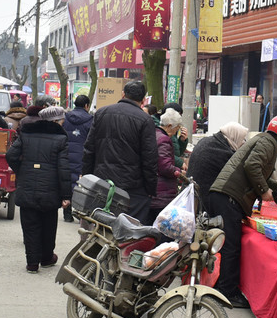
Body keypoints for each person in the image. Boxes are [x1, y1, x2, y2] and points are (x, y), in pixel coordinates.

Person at [208, 115, 277, 309]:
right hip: (229, 196)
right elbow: (252, 166)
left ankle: (223, 287)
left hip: (222, 194)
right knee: (231, 247)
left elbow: (258, 171)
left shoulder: (264, 139)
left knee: (226, 245)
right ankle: (227, 292)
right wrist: (265, 192)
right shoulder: (269, 142)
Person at [81, 80, 159, 223]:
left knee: (100, 226)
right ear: (143, 100)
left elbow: (89, 149)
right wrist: (150, 189)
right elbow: (150, 158)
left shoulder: (102, 113)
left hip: (102, 182)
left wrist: (87, 177)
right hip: (132, 188)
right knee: (128, 230)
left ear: (123, 94)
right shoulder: (145, 119)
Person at [7, 104, 72, 272]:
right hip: (50, 189)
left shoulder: (26, 133)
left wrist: (22, 171)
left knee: (30, 226)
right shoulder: (61, 139)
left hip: (27, 185)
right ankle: (46, 257)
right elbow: (63, 169)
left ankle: (32, 263)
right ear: (56, 121)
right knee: (49, 225)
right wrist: (66, 195)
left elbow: (11, 155)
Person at [185, 122, 248, 195]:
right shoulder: (223, 151)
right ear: (234, 136)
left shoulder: (208, 141)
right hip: (202, 197)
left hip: (189, 191)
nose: (243, 142)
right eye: (242, 138)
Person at [62, 94, 94, 221]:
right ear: (86, 106)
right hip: (82, 155)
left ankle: (67, 212)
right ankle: (81, 213)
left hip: (66, 152)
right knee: (82, 184)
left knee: (67, 180)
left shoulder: (65, 117)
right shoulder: (91, 120)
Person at [152, 108, 185, 215]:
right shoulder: (164, 139)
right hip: (162, 192)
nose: (176, 132)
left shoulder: (154, 134)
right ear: (169, 126)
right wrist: (178, 171)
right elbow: (165, 166)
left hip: (154, 190)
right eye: (177, 128)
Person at [163, 101, 190, 167]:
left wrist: (182, 141)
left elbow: (178, 153)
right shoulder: (160, 131)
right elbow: (163, 154)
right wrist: (180, 163)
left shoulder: (174, 129)